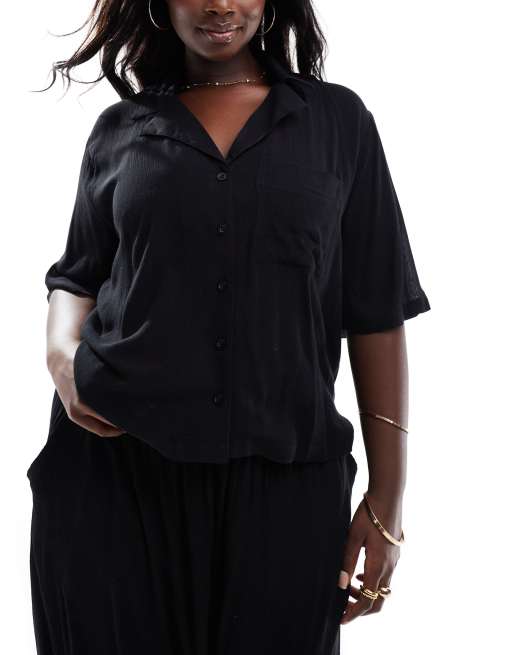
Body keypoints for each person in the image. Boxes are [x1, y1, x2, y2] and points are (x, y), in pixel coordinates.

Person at [27, 1, 431, 654]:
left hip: (287, 485)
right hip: (114, 475)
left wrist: (387, 500)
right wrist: (61, 360)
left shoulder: (337, 122)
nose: (219, 4)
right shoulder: (119, 130)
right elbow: (77, 276)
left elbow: (377, 309)